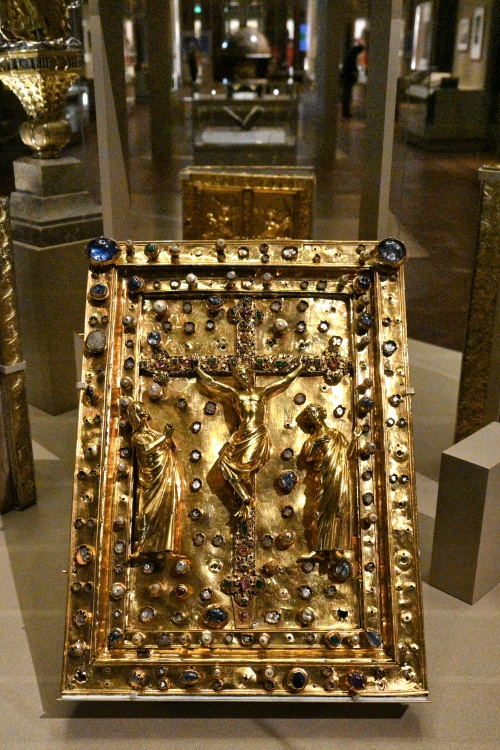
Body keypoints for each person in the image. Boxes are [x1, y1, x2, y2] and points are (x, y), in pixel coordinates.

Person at [196, 361, 305, 516]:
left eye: (244, 374)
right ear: (236, 379)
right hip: (242, 435)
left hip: (257, 433)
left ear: (250, 374)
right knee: (225, 464)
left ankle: (248, 496)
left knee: (245, 466)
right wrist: (198, 369)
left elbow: (285, 380)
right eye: (239, 376)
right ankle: (246, 498)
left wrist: (300, 367)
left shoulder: (262, 392)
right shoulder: (235, 393)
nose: (243, 377)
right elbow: (212, 382)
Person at [299, 404, 362, 554]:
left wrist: (355, 439)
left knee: (339, 510)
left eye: (314, 412)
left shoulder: (336, 434)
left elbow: (348, 454)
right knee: (320, 511)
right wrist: (316, 443)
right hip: (323, 478)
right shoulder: (312, 440)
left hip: (339, 477)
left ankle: (335, 547)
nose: (313, 415)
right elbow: (308, 457)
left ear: (321, 414)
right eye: (310, 414)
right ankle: (320, 547)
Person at [127, 401, 183, 556]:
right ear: (135, 416)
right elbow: (146, 449)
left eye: (144, 409)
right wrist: (164, 436)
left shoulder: (155, 434)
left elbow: (171, 447)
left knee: (169, 509)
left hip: (166, 472)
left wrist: (168, 437)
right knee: (149, 512)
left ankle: (166, 548)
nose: (143, 412)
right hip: (153, 477)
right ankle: (144, 547)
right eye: (139, 411)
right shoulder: (137, 437)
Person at [340, 43, 364, 118]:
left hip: (346, 77)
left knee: (346, 94)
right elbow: (352, 68)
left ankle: (345, 112)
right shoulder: (352, 56)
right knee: (347, 95)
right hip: (348, 78)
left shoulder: (350, 55)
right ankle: (346, 113)